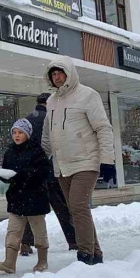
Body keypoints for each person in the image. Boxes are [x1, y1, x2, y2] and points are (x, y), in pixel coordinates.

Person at [41, 57, 114, 266]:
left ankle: (84, 255)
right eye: (53, 74)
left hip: (86, 161)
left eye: (60, 73)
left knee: (78, 206)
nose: (56, 78)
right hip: (62, 165)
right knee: (77, 210)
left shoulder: (88, 95)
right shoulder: (51, 101)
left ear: (69, 74)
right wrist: (43, 157)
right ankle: (96, 254)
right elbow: (49, 133)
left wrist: (107, 160)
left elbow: (103, 128)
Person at [19, 93, 78, 256]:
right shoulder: (52, 119)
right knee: (62, 206)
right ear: (48, 103)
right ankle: (73, 240)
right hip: (50, 170)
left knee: (31, 207)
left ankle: (25, 242)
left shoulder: (26, 121)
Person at [0, 119, 51, 274]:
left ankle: (42, 261)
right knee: (13, 232)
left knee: (39, 232)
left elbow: (44, 172)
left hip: (35, 198)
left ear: (27, 134)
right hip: (16, 198)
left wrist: (23, 174)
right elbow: (7, 170)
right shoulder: (10, 151)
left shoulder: (36, 151)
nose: (17, 136)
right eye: (14, 132)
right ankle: (9, 263)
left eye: (20, 132)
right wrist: (3, 176)